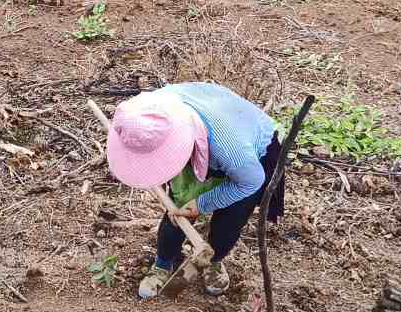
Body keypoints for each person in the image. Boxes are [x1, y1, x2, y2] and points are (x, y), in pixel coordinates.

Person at [106, 83, 284, 300]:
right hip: (206, 130)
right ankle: (163, 263)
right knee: (178, 208)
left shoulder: (231, 150)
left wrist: (201, 203)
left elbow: (251, 181)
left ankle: (214, 260)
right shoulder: (148, 113)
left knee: (231, 216)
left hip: (252, 154)